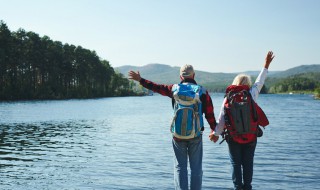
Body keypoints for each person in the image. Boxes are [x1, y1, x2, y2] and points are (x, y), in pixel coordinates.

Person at [128, 65, 217, 190]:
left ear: (181, 76)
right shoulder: (202, 91)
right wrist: (215, 130)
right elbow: (209, 114)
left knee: (180, 167)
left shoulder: (174, 89)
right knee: (196, 168)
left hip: (178, 135)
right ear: (194, 75)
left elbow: (156, 87)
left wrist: (141, 80)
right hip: (196, 135)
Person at [209, 51, 275, 190]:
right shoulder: (251, 94)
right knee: (248, 163)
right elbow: (260, 81)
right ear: (248, 84)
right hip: (251, 136)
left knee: (235, 164)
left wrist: (215, 134)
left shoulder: (228, 97)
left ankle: (238, 187)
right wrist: (266, 65)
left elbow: (222, 119)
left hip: (233, 137)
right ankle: (248, 187)